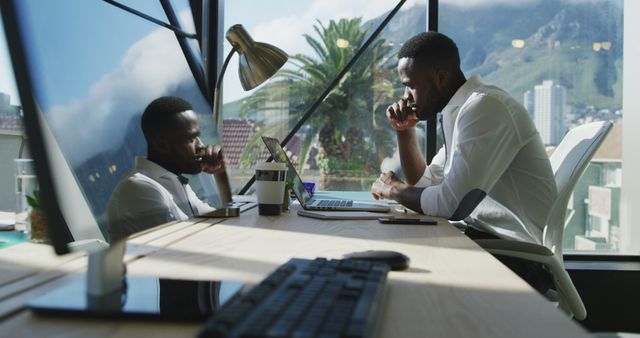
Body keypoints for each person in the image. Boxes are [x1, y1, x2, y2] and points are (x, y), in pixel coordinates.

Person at [371, 32, 557, 292]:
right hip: (487, 244)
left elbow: (450, 205)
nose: (406, 96)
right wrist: (404, 131)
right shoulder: (460, 111)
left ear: (441, 78)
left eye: (410, 85)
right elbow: (424, 183)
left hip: (518, 258)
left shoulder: (484, 108)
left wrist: (394, 189)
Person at [108, 96, 227, 242]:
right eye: (191, 139)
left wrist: (221, 173)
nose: (201, 146)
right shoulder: (139, 188)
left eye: (198, 137)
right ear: (162, 145)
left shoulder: (174, 182)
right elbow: (188, 248)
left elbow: (225, 223)